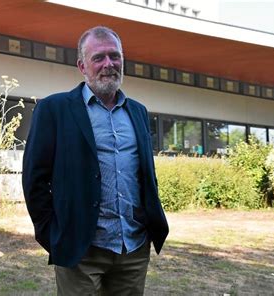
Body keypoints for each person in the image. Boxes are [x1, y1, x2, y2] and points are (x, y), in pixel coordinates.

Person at [22, 26, 169, 295]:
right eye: (98, 58)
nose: (108, 64)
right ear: (82, 66)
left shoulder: (138, 111)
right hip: (81, 248)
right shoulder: (54, 110)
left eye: (115, 57)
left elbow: (145, 173)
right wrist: (52, 234)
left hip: (133, 248)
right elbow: (35, 179)